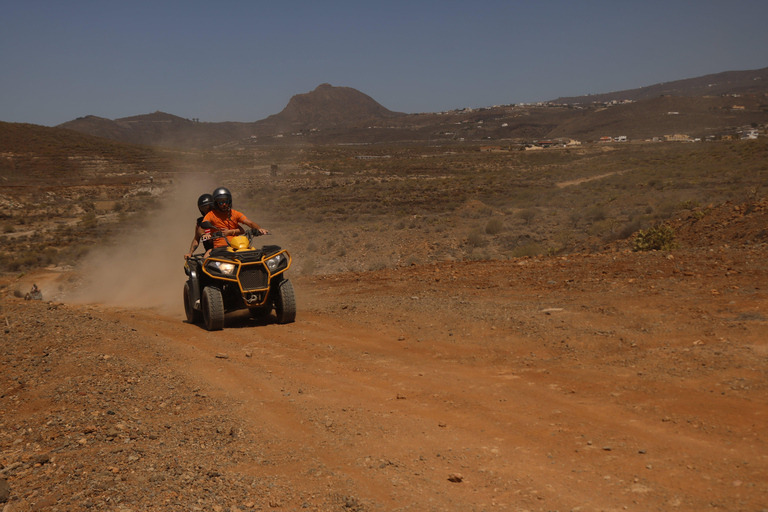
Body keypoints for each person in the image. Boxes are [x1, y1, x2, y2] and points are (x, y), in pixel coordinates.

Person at [203, 187, 268, 249]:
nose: (224, 204)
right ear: (216, 203)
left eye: (226, 202)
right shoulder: (211, 214)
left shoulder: (235, 213)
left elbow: (250, 223)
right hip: (220, 248)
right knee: (208, 258)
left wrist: (259, 229)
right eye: (221, 202)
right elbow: (202, 225)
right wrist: (204, 234)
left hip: (238, 246)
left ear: (229, 202)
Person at [184, 194, 215, 260]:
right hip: (210, 253)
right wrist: (190, 253)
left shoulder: (220, 218)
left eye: (210, 207)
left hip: (223, 249)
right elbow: (196, 239)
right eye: (204, 208)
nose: (207, 210)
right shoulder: (200, 222)